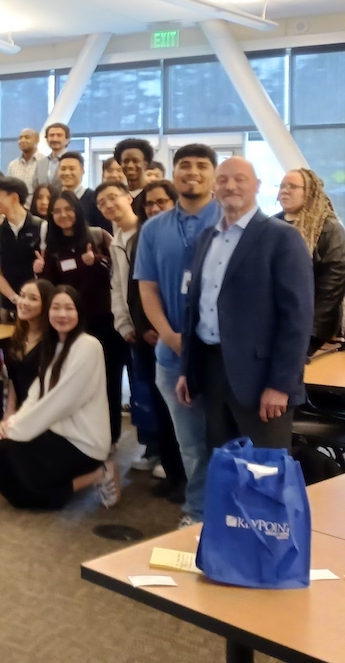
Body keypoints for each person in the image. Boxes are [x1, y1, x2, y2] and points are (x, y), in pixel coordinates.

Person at [181, 157, 314, 451]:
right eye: (223, 179)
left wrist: (280, 385)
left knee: (264, 474)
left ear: (257, 186)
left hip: (261, 380)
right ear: (214, 188)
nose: (230, 186)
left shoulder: (282, 238)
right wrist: (186, 370)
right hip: (211, 371)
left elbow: (298, 318)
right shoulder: (206, 238)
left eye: (240, 179)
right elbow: (195, 308)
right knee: (225, 467)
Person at [134, 143, 222, 526]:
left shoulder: (231, 219)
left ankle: (231, 515)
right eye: (184, 165)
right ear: (173, 174)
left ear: (213, 175)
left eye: (202, 166)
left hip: (222, 357)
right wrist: (169, 336)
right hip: (172, 356)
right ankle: (199, 512)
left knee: (227, 440)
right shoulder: (154, 228)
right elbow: (147, 288)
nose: (192, 172)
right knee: (191, 444)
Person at [0, 285, 118, 509]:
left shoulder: (88, 346)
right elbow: (36, 394)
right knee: (1, 460)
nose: (62, 314)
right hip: (57, 432)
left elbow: (61, 402)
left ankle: (99, 473)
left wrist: (18, 428)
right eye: (56, 308)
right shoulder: (54, 346)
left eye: (69, 308)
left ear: (79, 313)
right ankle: (45, 485)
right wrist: (11, 422)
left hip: (84, 442)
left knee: (24, 483)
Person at [37, 190, 126, 447]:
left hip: (102, 323)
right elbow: (51, 287)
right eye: (57, 211)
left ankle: (110, 436)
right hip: (68, 325)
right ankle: (76, 433)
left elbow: (117, 273)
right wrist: (39, 273)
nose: (63, 215)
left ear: (78, 210)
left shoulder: (97, 236)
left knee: (107, 380)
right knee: (72, 379)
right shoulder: (51, 246)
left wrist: (97, 260)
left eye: (68, 209)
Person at [97, 181, 161, 471]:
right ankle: (151, 448)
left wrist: (148, 323)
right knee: (141, 389)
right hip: (131, 327)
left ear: (128, 198)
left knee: (159, 389)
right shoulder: (117, 238)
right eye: (102, 203)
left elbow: (151, 286)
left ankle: (164, 452)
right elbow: (117, 286)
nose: (109, 205)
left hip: (154, 327)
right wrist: (123, 323)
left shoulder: (147, 233)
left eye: (113, 198)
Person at [134, 177, 186, 501]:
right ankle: (171, 472)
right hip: (148, 337)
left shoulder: (184, 236)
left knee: (184, 413)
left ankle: (186, 480)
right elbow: (136, 289)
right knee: (161, 410)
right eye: (149, 204)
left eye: (160, 202)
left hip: (177, 336)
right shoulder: (144, 236)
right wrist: (143, 326)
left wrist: (166, 328)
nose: (154, 208)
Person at [0, 279, 54, 459]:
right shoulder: (17, 337)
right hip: (19, 412)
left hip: (43, 415)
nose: (24, 302)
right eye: (22, 296)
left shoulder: (52, 343)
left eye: (33, 298)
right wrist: (9, 415)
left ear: (47, 304)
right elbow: (13, 381)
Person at [275, 168, 345, 353]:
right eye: (282, 186)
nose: (285, 190)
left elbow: (332, 285)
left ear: (310, 192)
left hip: (313, 326)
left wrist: (312, 334)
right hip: (275, 323)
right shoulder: (270, 226)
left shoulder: (329, 228)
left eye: (292, 186)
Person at [0, 177, 46, 310]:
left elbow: (46, 263)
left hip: (38, 304)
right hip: (9, 304)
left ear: (14, 198)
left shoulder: (42, 227)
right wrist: (15, 298)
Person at [57, 151, 110, 232]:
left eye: (72, 169)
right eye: (63, 169)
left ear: (82, 171)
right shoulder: (55, 198)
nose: (67, 173)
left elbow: (104, 232)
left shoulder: (95, 198)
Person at [114, 137, 154, 221]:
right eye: (126, 161)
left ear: (145, 164)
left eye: (135, 161)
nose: (130, 166)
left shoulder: (153, 193)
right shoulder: (118, 195)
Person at [6, 128, 42, 200]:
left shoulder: (44, 162)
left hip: (37, 208)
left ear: (37, 140)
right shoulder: (13, 165)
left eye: (27, 137)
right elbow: (8, 190)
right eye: (20, 138)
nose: (22, 140)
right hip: (16, 208)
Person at [37, 122, 71, 189]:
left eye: (59, 135)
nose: (55, 139)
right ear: (46, 139)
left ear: (67, 140)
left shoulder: (73, 161)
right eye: (51, 135)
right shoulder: (40, 163)